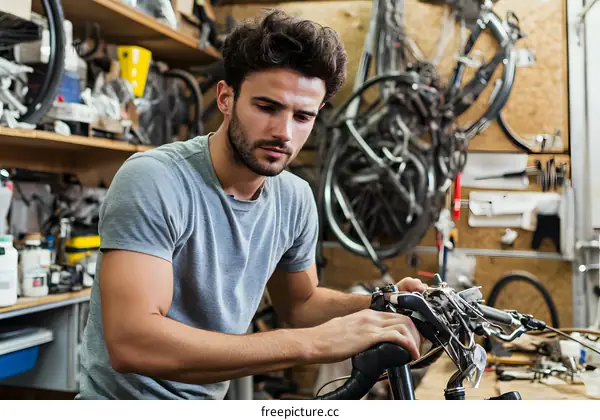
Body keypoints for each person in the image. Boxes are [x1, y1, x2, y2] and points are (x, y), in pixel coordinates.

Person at [77, 9, 426, 400]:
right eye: (267, 107)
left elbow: (301, 303)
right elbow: (133, 342)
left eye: (302, 116)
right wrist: (313, 343)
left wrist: (382, 304)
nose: (283, 132)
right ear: (226, 98)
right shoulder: (155, 179)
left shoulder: (294, 198)